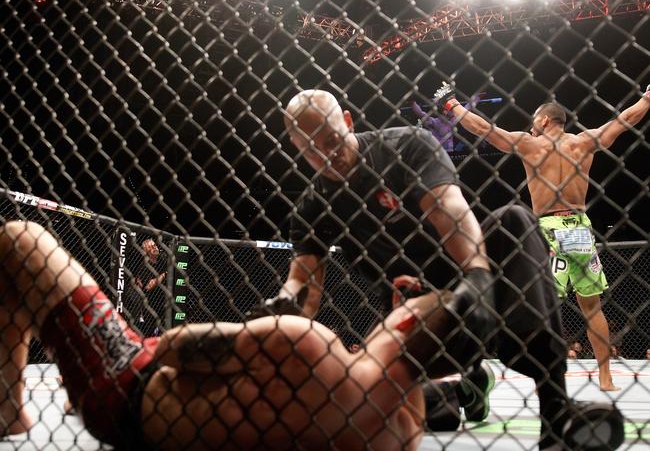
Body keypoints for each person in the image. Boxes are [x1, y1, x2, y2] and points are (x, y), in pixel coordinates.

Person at [253, 89, 624, 449]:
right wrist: (282, 306)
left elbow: (451, 212)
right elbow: (303, 284)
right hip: (406, 310)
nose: (327, 153)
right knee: (401, 411)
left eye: (331, 138)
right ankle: (462, 388)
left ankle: (557, 412)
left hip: (470, 281)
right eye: (311, 149)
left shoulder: (405, 145)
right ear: (297, 148)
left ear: (348, 122)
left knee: (514, 221)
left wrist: (476, 275)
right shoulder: (313, 206)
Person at [0, 220, 511, 449]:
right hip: (155, 423)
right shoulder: (402, 431)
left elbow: (177, 347)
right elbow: (410, 357)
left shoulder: (310, 346)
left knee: (21, 240)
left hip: (127, 388)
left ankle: (10, 406)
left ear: (402, 317)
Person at [438, 82, 650, 392]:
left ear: (546, 120)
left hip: (548, 230)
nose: (531, 125)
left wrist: (451, 104)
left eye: (535, 120)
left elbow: (485, 129)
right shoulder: (583, 143)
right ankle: (606, 379)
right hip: (580, 227)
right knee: (592, 307)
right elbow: (623, 120)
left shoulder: (530, 145)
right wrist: (646, 100)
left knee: (542, 308)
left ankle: (547, 379)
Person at [135, 238, 167, 336]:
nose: (155, 247)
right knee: (150, 332)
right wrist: (164, 274)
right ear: (146, 251)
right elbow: (149, 285)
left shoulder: (163, 261)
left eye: (155, 245)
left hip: (165, 302)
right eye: (151, 246)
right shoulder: (144, 267)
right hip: (151, 305)